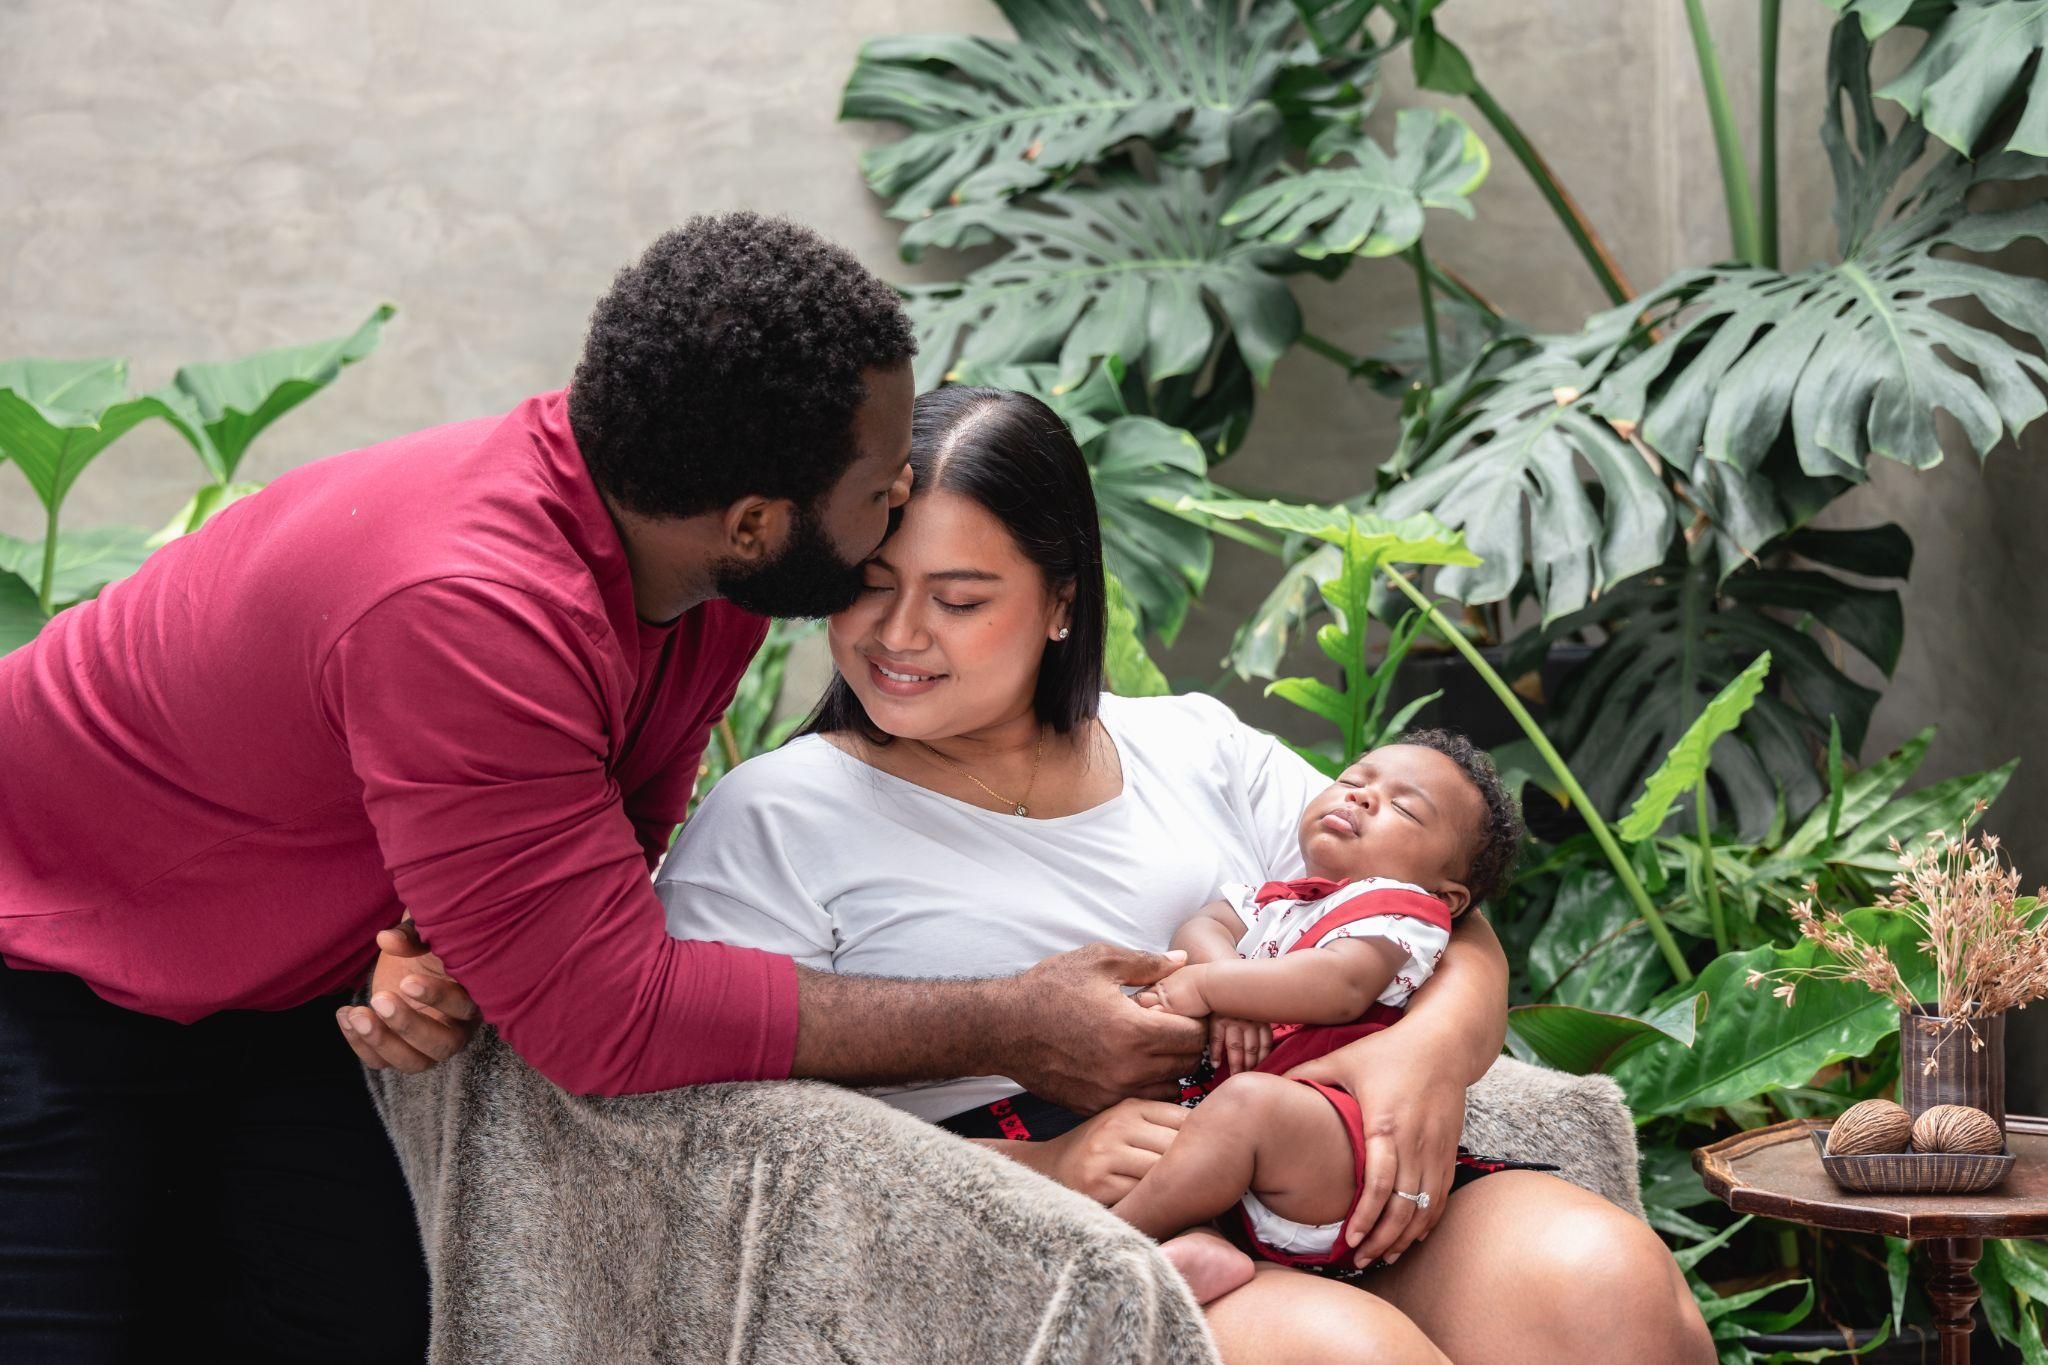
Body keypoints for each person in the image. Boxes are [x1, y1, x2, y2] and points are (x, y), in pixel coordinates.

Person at [0, 218, 1204, 1363]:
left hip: (267, 989)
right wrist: (1011, 1020)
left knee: (356, 1323)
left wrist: (438, 944)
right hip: (39, 952)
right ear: (753, 522)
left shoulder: (701, 576)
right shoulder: (468, 609)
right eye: (882, 483)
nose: (900, 496)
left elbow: (595, 857)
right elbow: (606, 1016)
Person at [630, 385, 1711, 1363]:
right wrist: (1040, 1183)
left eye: (958, 600)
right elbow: (716, 1146)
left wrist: (1429, 1053)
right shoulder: (778, 816)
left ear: (1061, 603)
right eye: (868, 586)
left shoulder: (1191, 746)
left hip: (1300, 1169)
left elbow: (1430, 901)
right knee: (1351, 1359)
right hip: (1024, 1223)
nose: (898, 635)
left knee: (1602, 1286)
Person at [1112, 732, 1550, 1302]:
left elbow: (1341, 984)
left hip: (1343, 1142)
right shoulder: (1278, 900)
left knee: (1246, 1107)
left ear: (1448, 897)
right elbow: (1201, 928)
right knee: (1164, 1133)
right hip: (1265, 1154)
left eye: (1404, 807)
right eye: (1352, 781)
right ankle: (1202, 1243)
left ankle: (1113, 1243)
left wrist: (1211, 985)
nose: (1362, 797)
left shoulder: (1401, 909)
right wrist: (1235, 987)